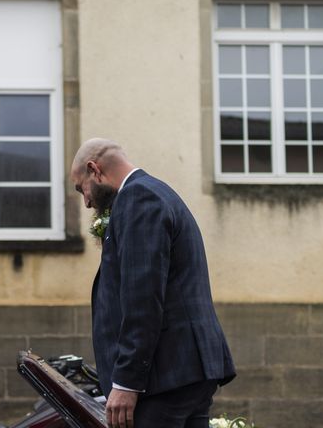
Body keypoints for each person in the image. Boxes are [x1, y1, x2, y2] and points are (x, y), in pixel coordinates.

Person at [70, 138, 236, 428]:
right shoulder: (158, 193)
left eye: (80, 188)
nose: (86, 202)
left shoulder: (137, 199)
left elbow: (143, 298)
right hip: (185, 371)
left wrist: (126, 382)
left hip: (164, 377)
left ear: (94, 170)